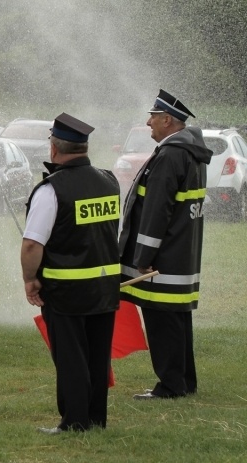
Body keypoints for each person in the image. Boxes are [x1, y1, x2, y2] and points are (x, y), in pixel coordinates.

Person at [20, 113, 121, 434]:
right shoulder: (109, 181)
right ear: (84, 147)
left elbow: (32, 245)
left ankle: (75, 421)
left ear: (54, 149)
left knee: (71, 357)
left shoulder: (51, 191)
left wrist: (29, 279)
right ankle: (95, 419)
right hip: (104, 289)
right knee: (97, 356)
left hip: (66, 291)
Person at [119, 90, 212, 400]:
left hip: (162, 259)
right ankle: (185, 380)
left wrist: (143, 256)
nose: (149, 123)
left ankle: (170, 386)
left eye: (153, 117)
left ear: (168, 120)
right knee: (178, 319)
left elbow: (157, 211)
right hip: (181, 255)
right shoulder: (191, 152)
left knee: (162, 321)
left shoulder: (171, 155)